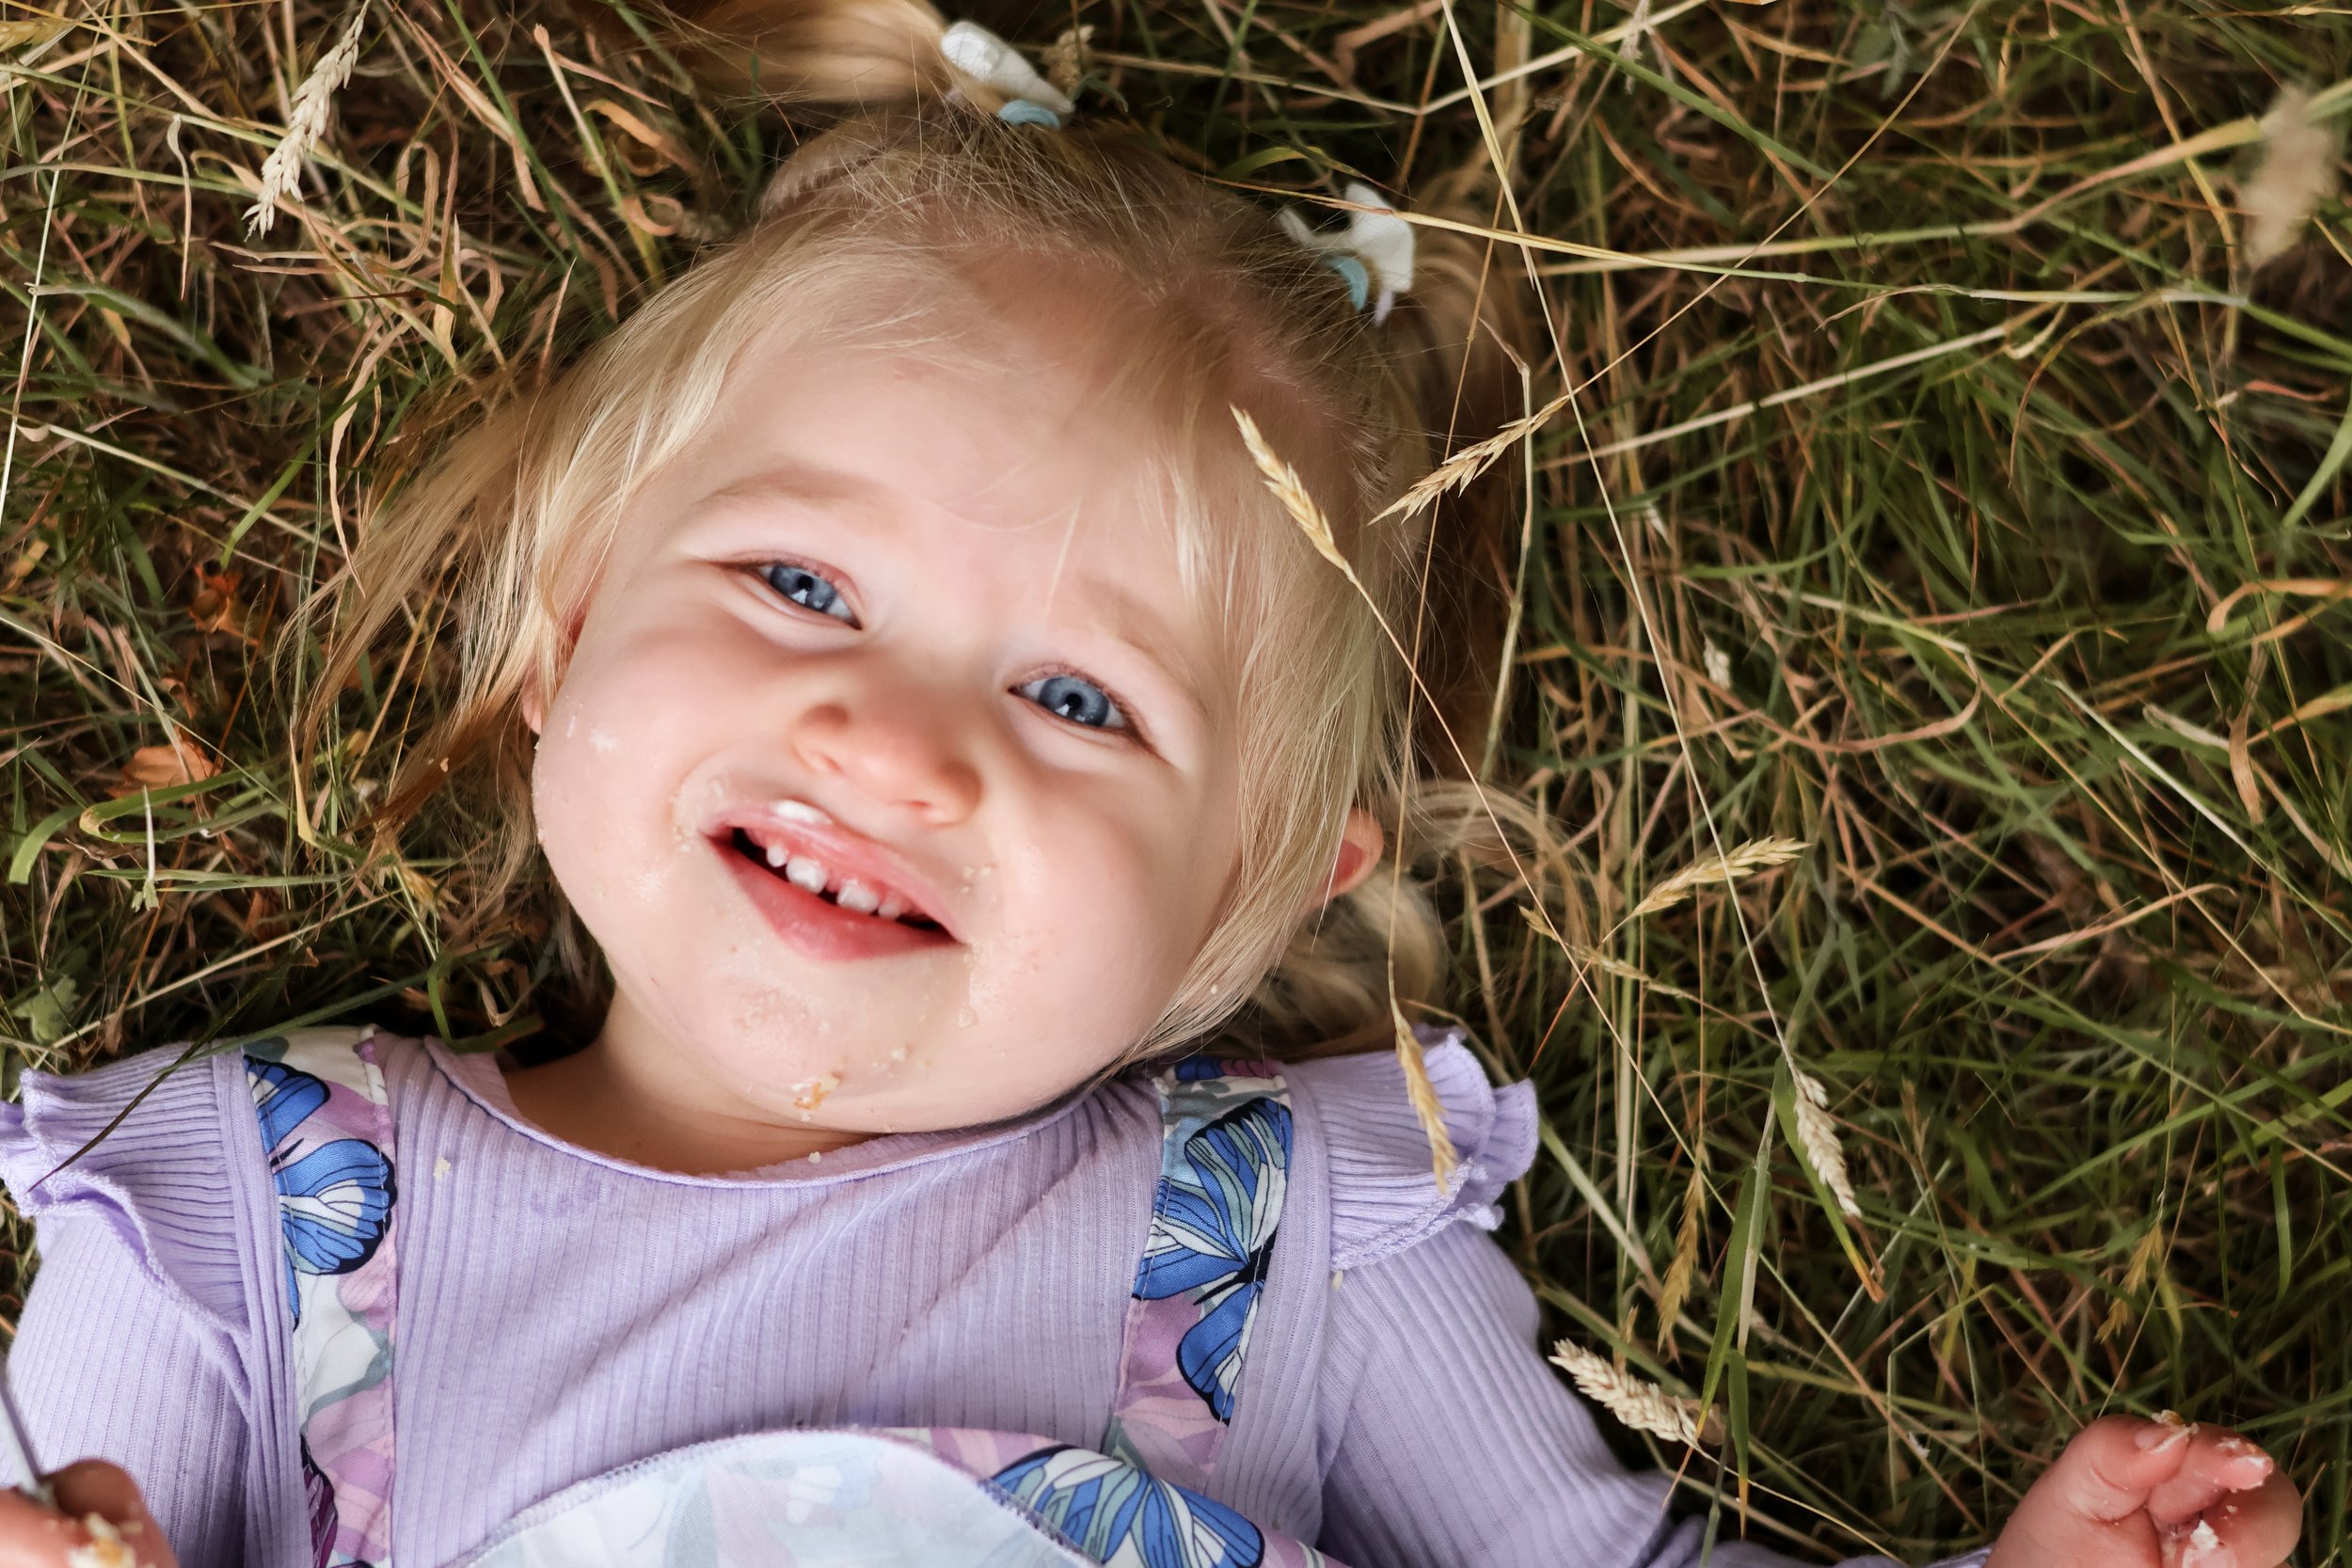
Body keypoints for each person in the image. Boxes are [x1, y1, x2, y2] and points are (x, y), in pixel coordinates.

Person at [0, 4, 2303, 1565]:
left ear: (1251, 889)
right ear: (568, 617)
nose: (894, 743)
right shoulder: (236, 1220)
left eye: (1085, 704)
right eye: (799, 581)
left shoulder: (1291, 1246)